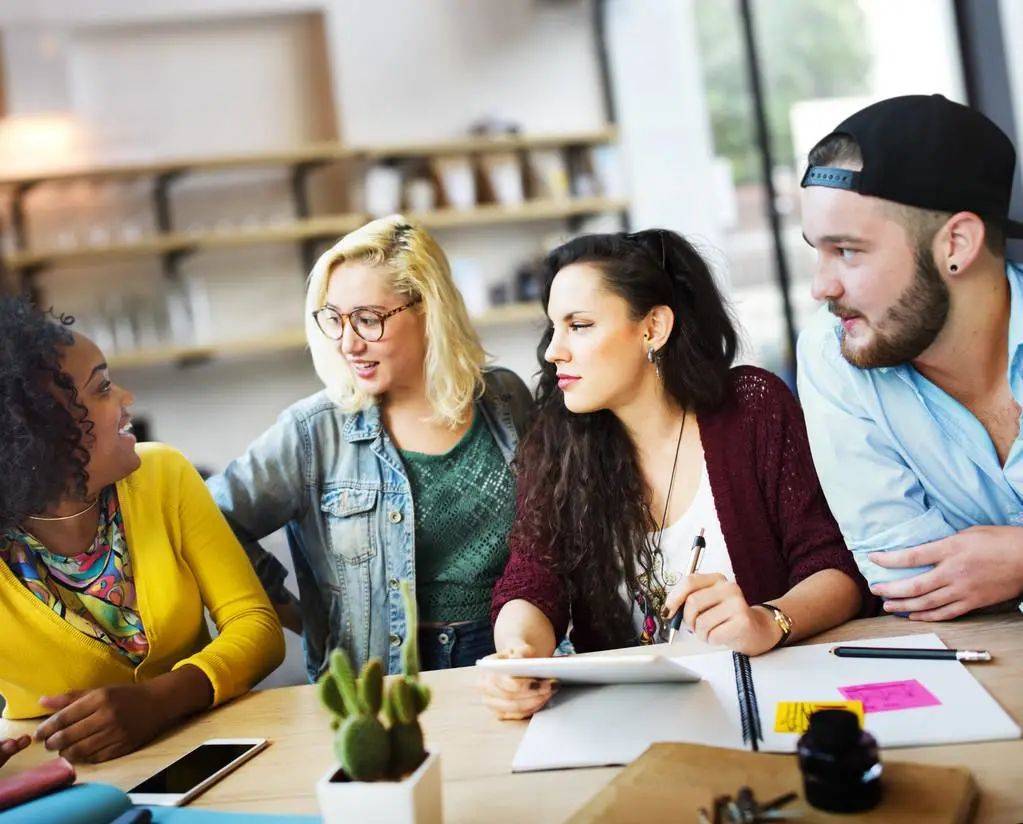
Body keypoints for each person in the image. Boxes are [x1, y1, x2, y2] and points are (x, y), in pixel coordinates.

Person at [481, 229, 871, 720]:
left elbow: (833, 565)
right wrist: (517, 654)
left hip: (774, 703)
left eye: (579, 325)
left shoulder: (754, 408)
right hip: (634, 719)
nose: (552, 351)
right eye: (553, 328)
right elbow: (531, 581)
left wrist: (768, 620)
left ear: (653, 329)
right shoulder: (557, 443)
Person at [207, 216, 532, 680]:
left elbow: (551, 538)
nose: (348, 343)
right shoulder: (312, 431)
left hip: (509, 659)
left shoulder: (505, 400)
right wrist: (303, 616)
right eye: (334, 320)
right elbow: (211, 520)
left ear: (428, 309)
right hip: (385, 681)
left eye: (367, 319)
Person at [0, 297, 284, 763]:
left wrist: (161, 700)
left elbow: (257, 627)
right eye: (103, 388)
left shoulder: (162, 475)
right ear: (39, 431)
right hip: (60, 778)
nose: (126, 399)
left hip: (203, 750)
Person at [797, 94, 1023, 621]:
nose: (820, 286)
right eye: (817, 250)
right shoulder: (834, 356)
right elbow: (908, 580)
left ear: (957, 244)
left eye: (847, 250)